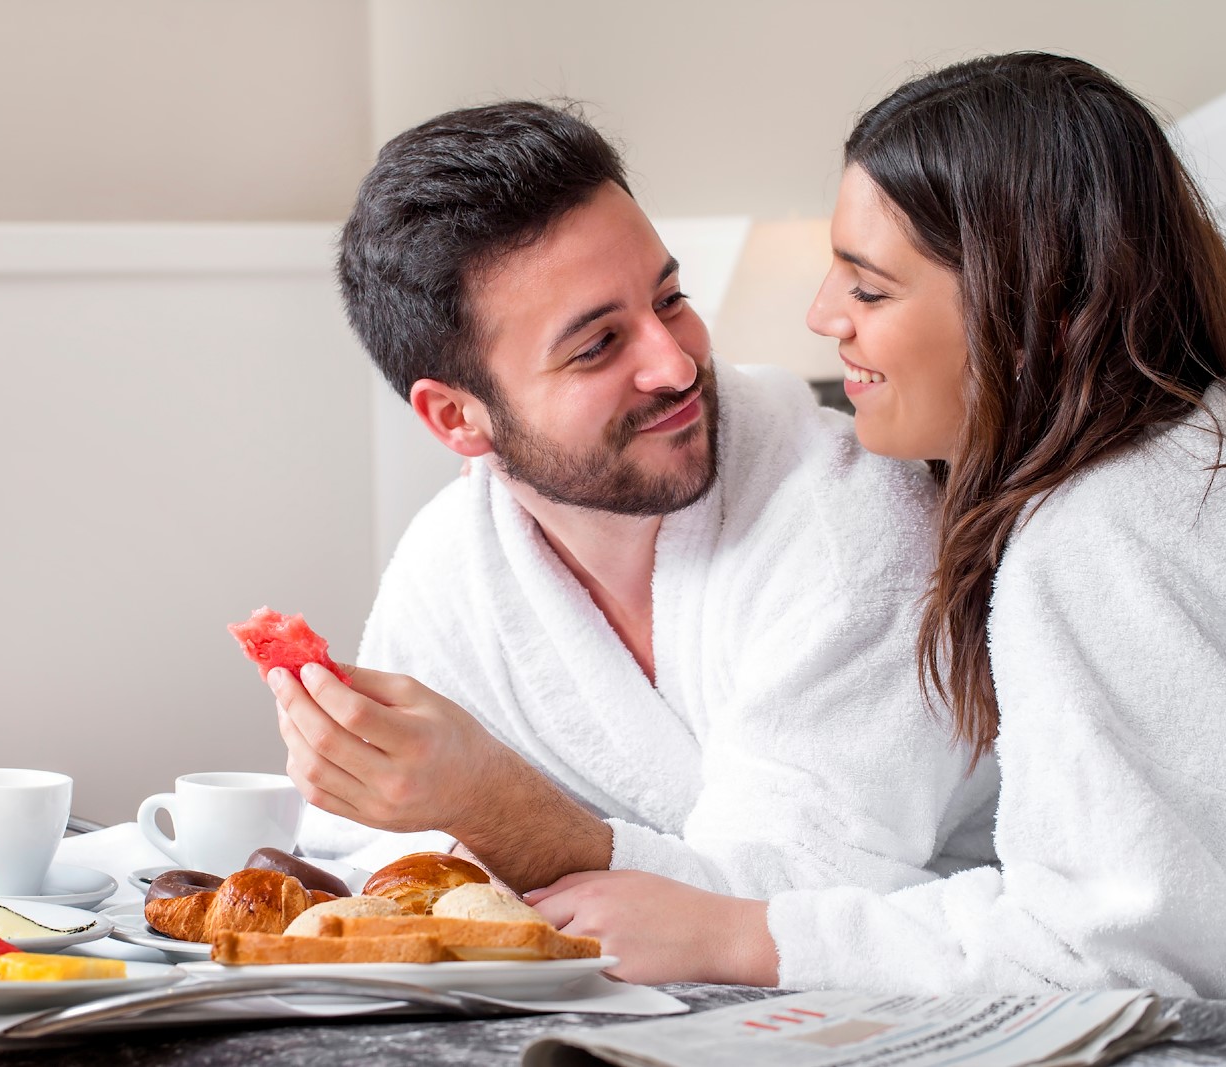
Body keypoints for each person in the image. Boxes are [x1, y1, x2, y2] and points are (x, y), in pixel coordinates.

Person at [528, 53, 1226, 998]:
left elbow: (1106, 952)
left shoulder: (1095, 541)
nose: (821, 314)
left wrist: (745, 936)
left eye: (869, 289)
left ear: (1048, 314)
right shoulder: (1207, 445)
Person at [266, 101, 997, 899]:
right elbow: (368, 855)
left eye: (670, 298)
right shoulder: (455, 558)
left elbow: (793, 909)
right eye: (599, 346)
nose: (677, 365)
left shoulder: (853, 520)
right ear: (457, 417)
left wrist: (490, 804)